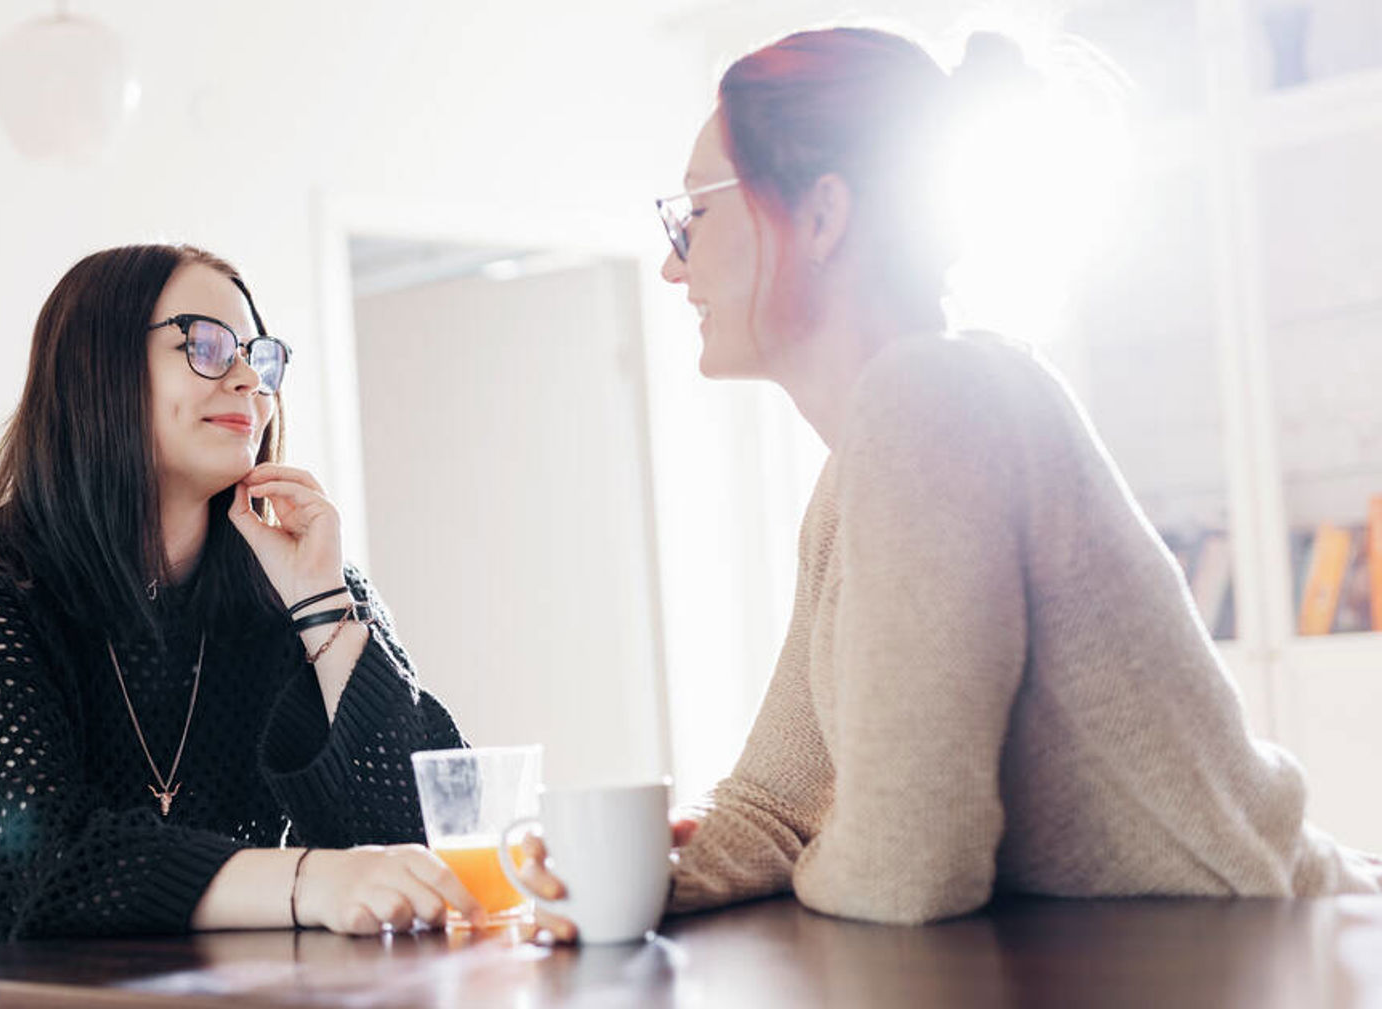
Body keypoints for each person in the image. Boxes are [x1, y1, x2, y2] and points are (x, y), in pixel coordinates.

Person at [519, 26, 1380, 933]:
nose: (672, 259)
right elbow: (774, 804)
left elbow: (906, 869)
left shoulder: (935, 403)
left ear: (822, 214)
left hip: (1284, 955)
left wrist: (801, 852)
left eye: (697, 210)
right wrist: (637, 873)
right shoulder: (860, 464)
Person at [0, 244, 482, 1005]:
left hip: (126, 955)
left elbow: (439, 833)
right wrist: (315, 878)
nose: (248, 379)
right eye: (205, 344)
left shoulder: (303, 579)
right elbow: (28, 874)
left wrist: (324, 609)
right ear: (97, 366)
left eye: (259, 356)